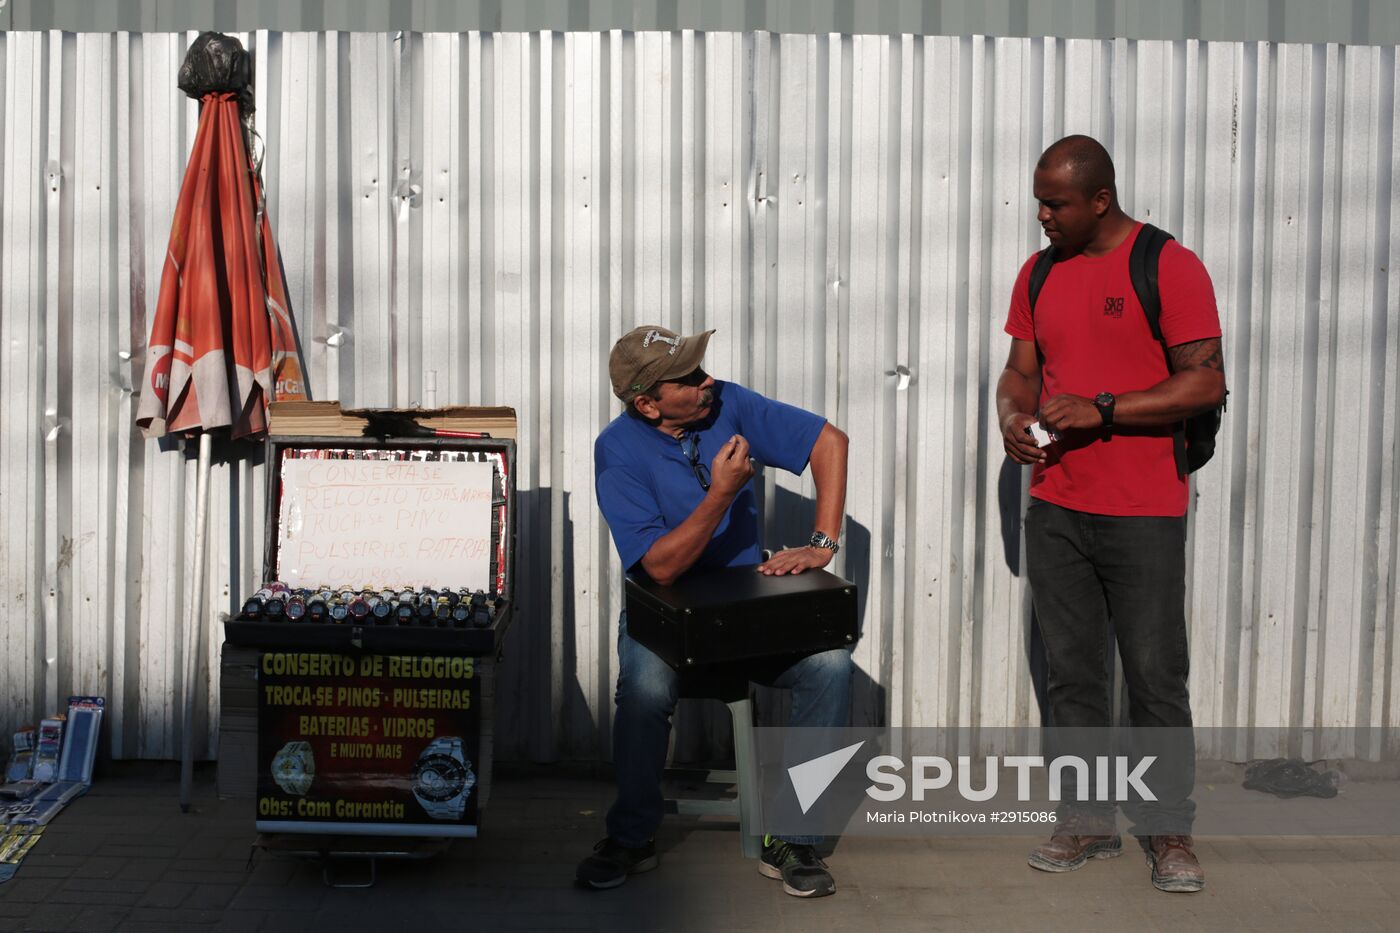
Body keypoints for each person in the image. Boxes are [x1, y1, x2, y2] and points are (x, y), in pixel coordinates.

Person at [996, 136, 1227, 893]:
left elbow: (1204, 385)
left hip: (1143, 509)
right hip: (1056, 506)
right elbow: (1021, 370)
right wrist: (1008, 414)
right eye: (1039, 199)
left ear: (1100, 198)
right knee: (1074, 673)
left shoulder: (1169, 265)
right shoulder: (1038, 273)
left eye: (1056, 202)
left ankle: (1169, 829)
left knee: (1157, 674)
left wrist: (1104, 409)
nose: (1042, 215)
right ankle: (1086, 817)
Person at [576, 324, 853, 898]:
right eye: (689, 378)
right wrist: (721, 493)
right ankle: (632, 836)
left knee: (832, 668)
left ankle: (792, 837)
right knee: (646, 691)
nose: (708, 382)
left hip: (744, 612)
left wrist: (822, 544)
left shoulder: (728, 400)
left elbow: (830, 442)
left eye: (702, 369)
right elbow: (659, 568)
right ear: (648, 403)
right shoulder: (618, 449)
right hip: (664, 614)